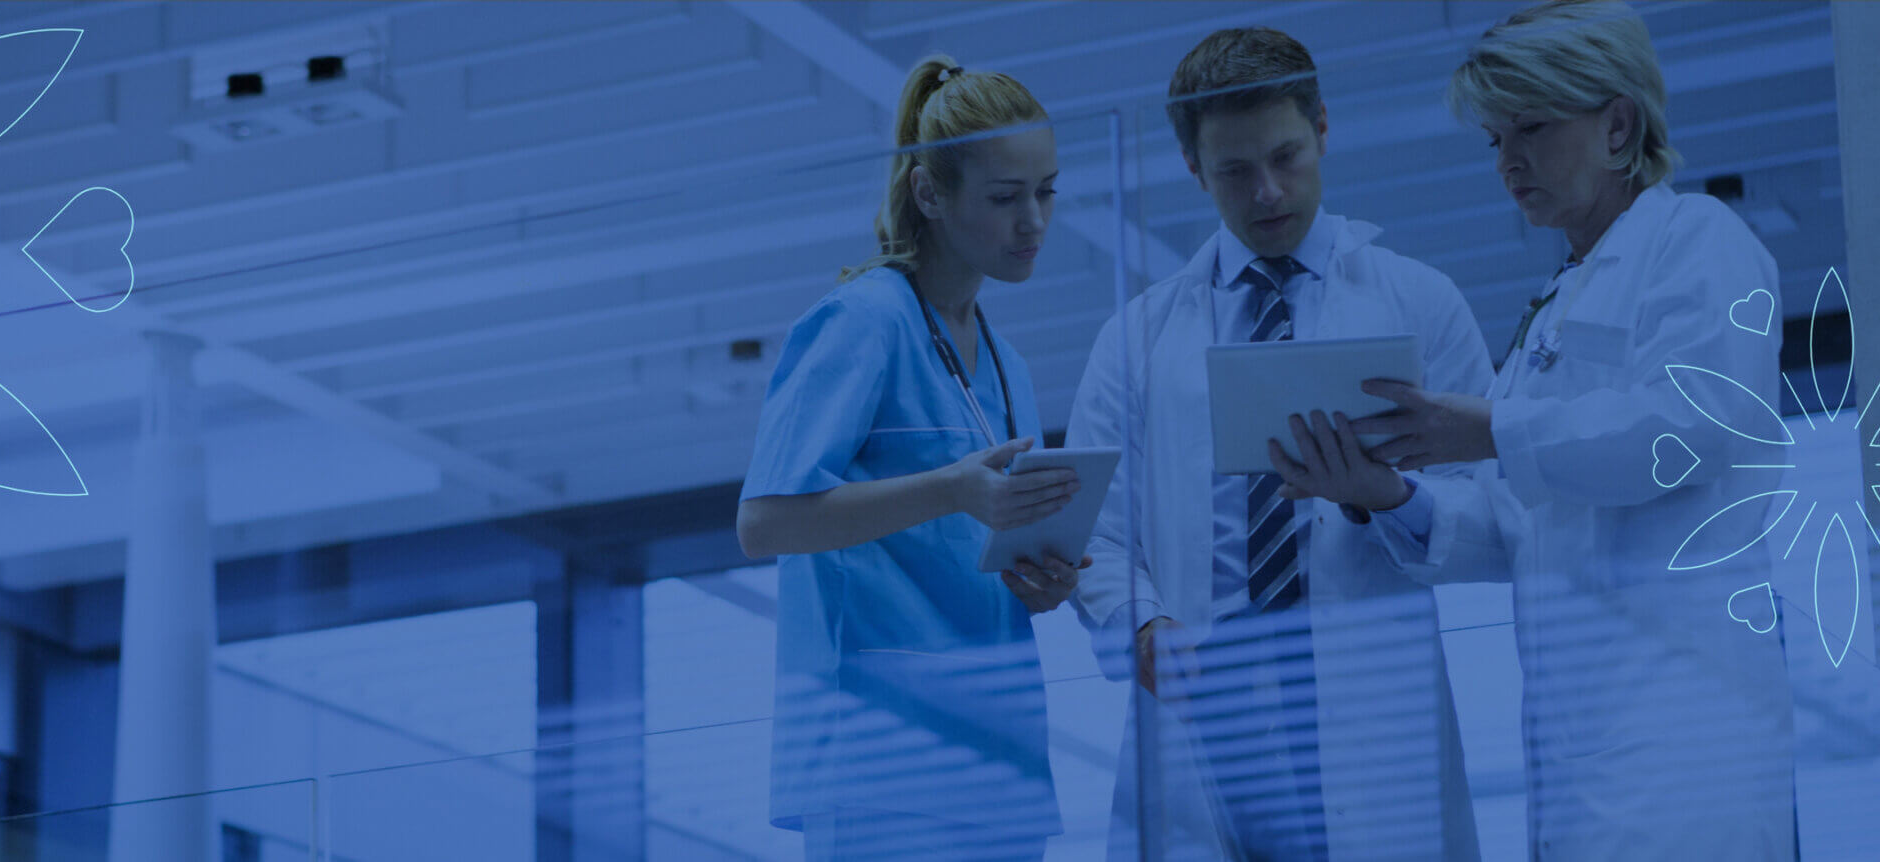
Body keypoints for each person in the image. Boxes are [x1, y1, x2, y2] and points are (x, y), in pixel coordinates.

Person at [1332, 1, 1797, 857]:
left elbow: (1691, 427)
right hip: (1580, 754)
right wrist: (1389, 493)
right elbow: (1524, 529)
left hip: (1685, 749)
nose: (1508, 162)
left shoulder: (1699, 240)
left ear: (1618, 123)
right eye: (1495, 140)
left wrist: (1496, 431)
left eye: (1531, 130)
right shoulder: (1554, 306)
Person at [1065, 28, 1487, 860]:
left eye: (1286, 156)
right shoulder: (1136, 338)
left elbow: (1496, 503)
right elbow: (1096, 532)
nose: (1267, 193)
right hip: (1208, 704)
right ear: (1193, 169)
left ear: (1324, 128)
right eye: (1234, 171)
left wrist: (1392, 501)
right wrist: (1143, 627)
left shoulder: (1419, 302)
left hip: (1368, 702)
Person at [737, 55, 1081, 861]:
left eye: (1046, 191)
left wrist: (1043, 583)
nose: (1034, 220)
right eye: (1005, 197)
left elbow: (971, 558)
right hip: (880, 762)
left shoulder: (1009, 366)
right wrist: (951, 492)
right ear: (931, 194)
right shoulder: (864, 321)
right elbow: (763, 524)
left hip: (997, 763)